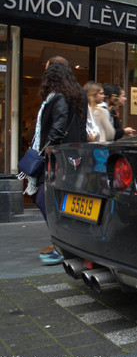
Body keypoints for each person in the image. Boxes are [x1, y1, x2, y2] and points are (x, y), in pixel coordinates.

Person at [28, 61, 88, 265]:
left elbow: (59, 125)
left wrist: (46, 148)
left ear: (52, 73)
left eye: (46, 69)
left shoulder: (60, 97)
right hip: (72, 155)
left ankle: (62, 244)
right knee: (58, 199)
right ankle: (66, 242)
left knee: (43, 197)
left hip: (58, 157)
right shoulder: (77, 93)